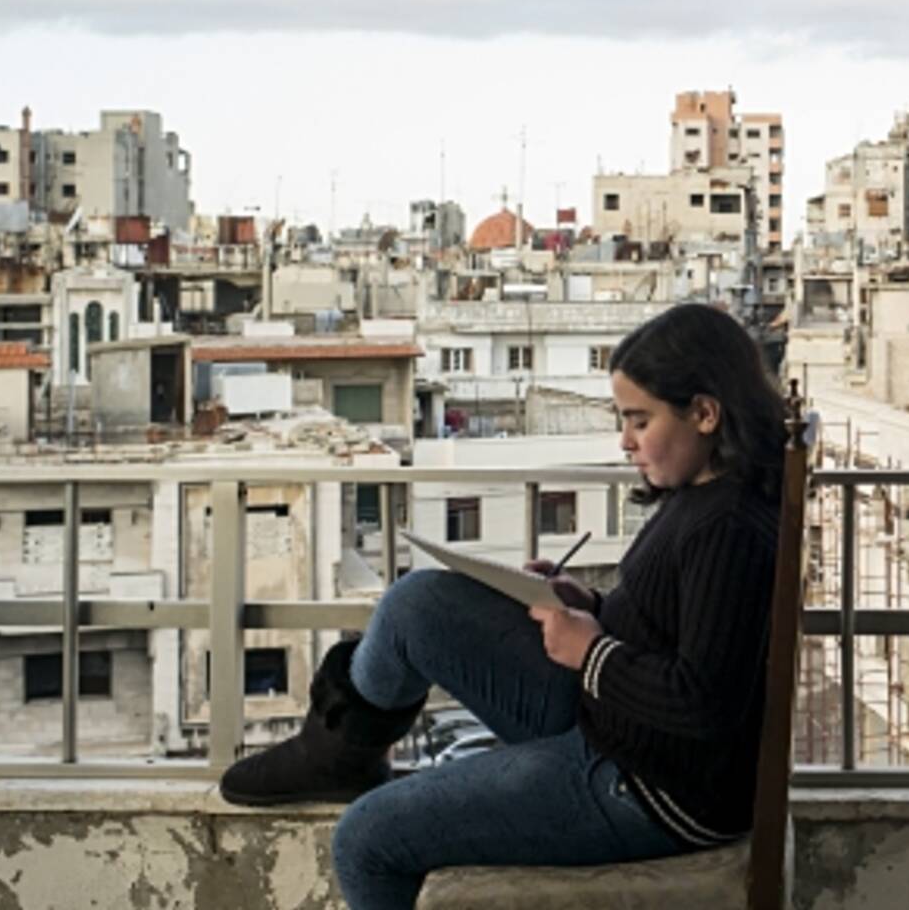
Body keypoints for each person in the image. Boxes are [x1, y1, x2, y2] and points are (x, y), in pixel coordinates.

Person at [218, 302, 789, 910]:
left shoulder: (729, 527)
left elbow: (704, 700)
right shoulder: (698, 493)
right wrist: (585, 601)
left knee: (366, 840)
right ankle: (341, 750)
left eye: (640, 421)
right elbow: (673, 620)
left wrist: (589, 651)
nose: (625, 440)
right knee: (417, 604)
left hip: (650, 786)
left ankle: (340, 760)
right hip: (614, 722)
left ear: (704, 413)